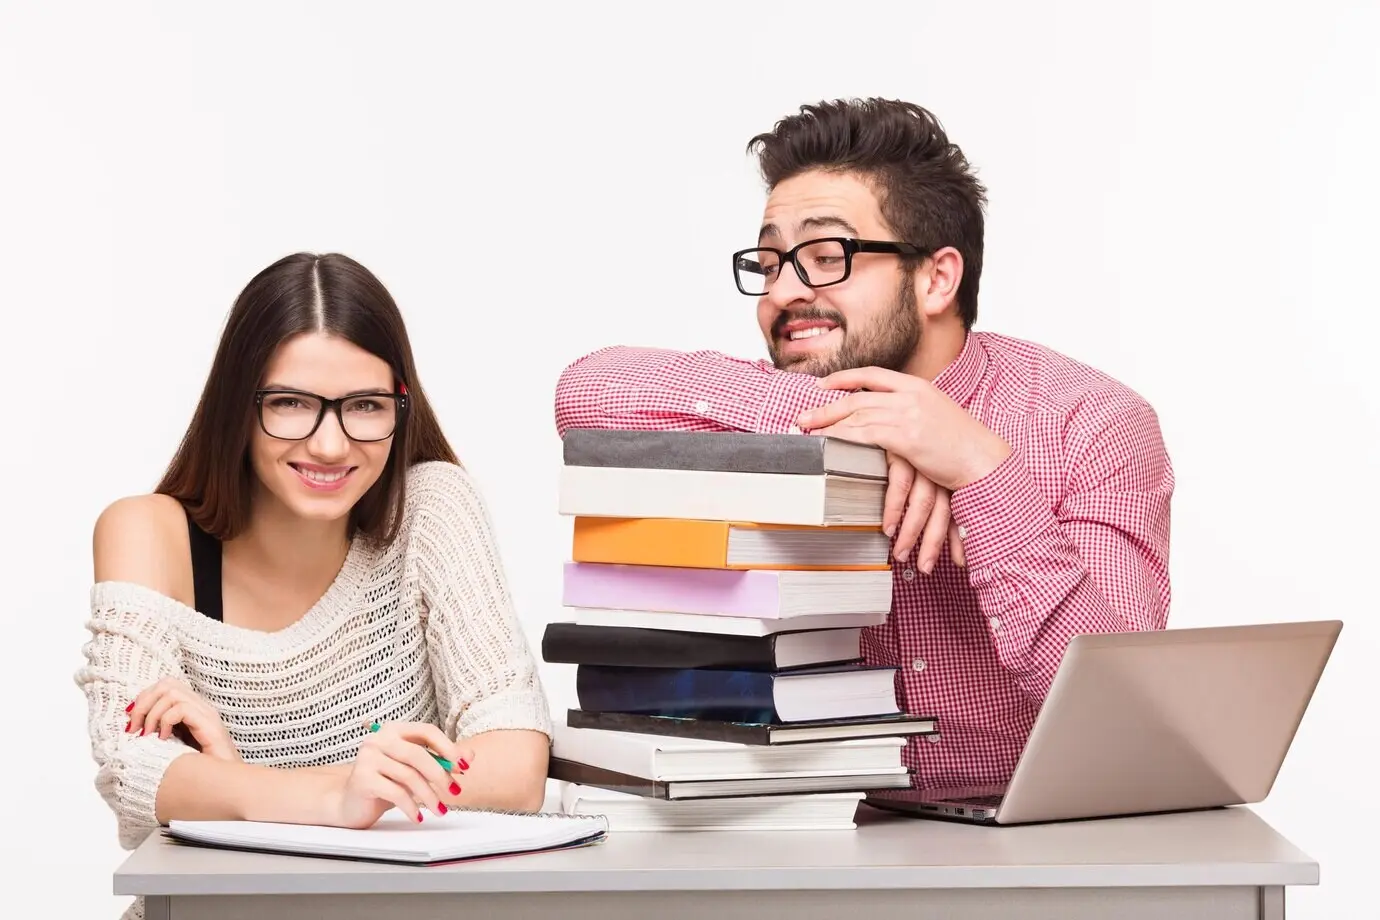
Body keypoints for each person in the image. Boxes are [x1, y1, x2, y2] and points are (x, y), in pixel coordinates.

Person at [553, 98, 1174, 790]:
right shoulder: (761, 413)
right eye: (769, 263)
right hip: (807, 831)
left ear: (936, 278)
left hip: (1032, 839)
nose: (783, 292)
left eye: (826, 256)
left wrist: (982, 471)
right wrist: (863, 421)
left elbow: (1122, 712)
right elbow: (586, 391)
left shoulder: (1091, 423)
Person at [77, 252, 552, 920]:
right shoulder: (149, 533)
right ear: (238, 406)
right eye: (291, 403)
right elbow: (133, 772)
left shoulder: (431, 507)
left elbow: (516, 765)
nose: (330, 445)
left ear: (400, 406)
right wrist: (337, 797)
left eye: (365, 406)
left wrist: (235, 784)